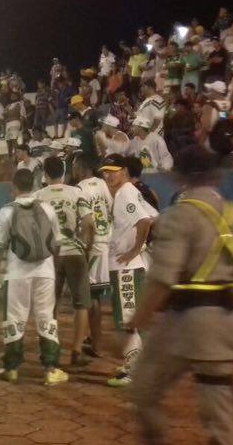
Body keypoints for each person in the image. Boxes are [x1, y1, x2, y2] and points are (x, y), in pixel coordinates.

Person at [129, 146, 233, 445]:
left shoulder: (178, 217)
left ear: (177, 177)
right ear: (217, 176)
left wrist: (136, 322)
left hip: (185, 325)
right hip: (230, 325)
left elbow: (162, 280)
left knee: (143, 392)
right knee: (218, 406)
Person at [0, 169, 69, 386]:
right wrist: (55, 271)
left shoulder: (7, 211)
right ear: (33, 186)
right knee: (46, 317)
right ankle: (51, 369)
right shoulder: (47, 208)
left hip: (17, 274)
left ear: (13, 187)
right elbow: (57, 244)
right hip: (46, 272)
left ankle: (11, 368)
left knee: (14, 318)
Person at [98, 155, 158, 387]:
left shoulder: (124, 193)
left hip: (127, 268)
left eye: (113, 171)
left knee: (127, 320)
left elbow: (145, 221)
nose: (108, 175)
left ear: (124, 171)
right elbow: (153, 215)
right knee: (132, 318)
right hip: (129, 267)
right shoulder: (130, 190)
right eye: (105, 171)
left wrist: (134, 249)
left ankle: (133, 371)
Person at [35, 157, 94, 366]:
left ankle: (50, 351)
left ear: (45, 174)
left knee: (50, 304)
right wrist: (87, 245)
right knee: (81, 304)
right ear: (64, 172)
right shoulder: (76, 192)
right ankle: (76, 351)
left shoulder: (38, 196)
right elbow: (89, 222)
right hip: (74, 252)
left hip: (49, 255)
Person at [73, 153, 114, 360]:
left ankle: (96, 344)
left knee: (92, 297)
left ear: (82, 167)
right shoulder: (102, 183)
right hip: (105, 241)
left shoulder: (80, 188)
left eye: (75, 166)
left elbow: (86, 222)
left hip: (93, 245)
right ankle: (93, 338)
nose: (73, 170)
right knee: (94, 295)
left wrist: (87, 247)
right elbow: (111, 209)